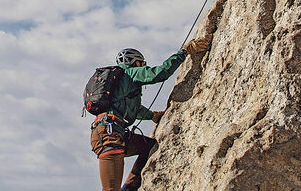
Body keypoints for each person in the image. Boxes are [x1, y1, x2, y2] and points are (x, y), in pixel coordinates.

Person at [90, 37, 211, 191]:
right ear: (135, 62)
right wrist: (183, 52)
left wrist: (152, 116)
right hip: (109, 134)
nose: (143, 67)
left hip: (112, 133)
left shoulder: (121, 85)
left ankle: (129, 188)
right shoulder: (130, 73)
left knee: (149, 147)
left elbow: (134, 110)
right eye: (142, 64)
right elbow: (158, 73)